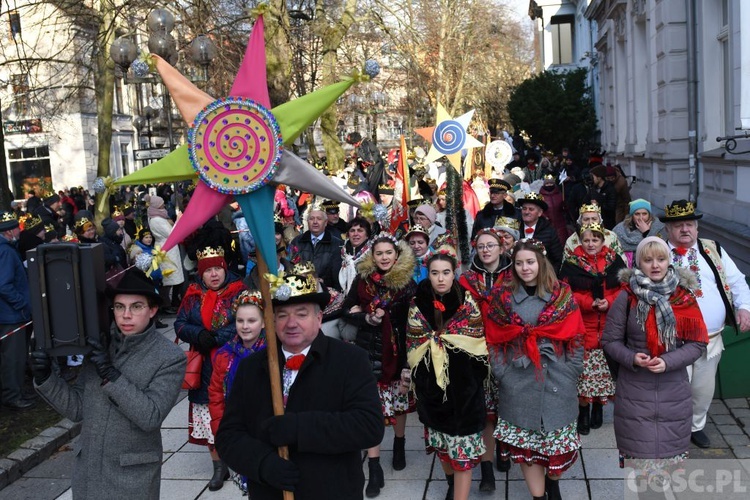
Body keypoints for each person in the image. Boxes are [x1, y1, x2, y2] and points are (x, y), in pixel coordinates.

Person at [215, 266, 384, 499]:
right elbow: (228, 436)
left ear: (319, 318)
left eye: (302, 314)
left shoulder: (350, 360)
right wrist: (262, 464)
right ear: (272, 321)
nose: (291, 323)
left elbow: (369, 427)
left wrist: (298, 428)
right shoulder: (251, 367)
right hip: (270, 491)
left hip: (331, 491)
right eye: (283, 315)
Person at [29, 268, 186, 498]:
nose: (126, 315)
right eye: (119, 307)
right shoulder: (102, 345)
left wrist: (111, 376)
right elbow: (78, 408)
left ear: (152, 310)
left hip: (132, 477)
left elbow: (151, 416)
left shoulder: (169, 357)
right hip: (89, 473)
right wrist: (45, 378)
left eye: (136, 306)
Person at [485, 239, 586, 500]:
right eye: (518, 263)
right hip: (518, 381)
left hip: (557, 379)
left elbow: (575, 336)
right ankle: (538, 496)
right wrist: (502, 373)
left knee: (557, 447)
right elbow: (494, 339)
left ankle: (553, 482)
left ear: (541, 263)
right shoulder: (502, 297)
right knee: (527, 449)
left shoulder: (562, 295)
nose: (524, 268)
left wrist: (572, 370)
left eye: (530, 262)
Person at [601, 237, 708, 479]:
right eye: (648, 260)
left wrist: (669, 361)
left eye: (661, 259)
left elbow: (697, 342)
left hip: (674, 395)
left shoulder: (683, 297)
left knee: (668, 473)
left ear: (669, 260)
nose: (655, 265)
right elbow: (609, 341)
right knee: (641, 473)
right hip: (635, 395)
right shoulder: (626, 297)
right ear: (638, 263)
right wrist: (632, 358)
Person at [660, 200, 750, 449]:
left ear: (697, 228)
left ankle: (695, 426)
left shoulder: (714, 249)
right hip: (674, 339)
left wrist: (744, 308)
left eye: (689, 224)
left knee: (702, 389)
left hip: (711, 338)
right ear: (668, 230)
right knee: (675, 389)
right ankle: (672, 430)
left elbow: (738, 282)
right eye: (678, 225)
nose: (685, 229)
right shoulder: (657, 251)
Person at [407, 248, 490, 500]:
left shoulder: (467, 301)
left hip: (464, 390)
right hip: (432, 391)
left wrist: (472, 381)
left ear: (455, 273)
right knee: (443, 450)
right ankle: (451, 485)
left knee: (462, 453)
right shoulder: (417, 303)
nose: (441, 278)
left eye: (446, 272)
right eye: (434, 273)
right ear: (427, 274)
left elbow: (477, 342)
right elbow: (413, 342)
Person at [341, 233, 417, 497]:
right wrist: (366, 318)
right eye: (379, 253)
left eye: (388, 253)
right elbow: (345, 310)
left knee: (399, 403)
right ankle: (374, 467)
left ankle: (399, 442)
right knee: (372, 407)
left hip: (398, 351)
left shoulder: (407, 283)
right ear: (372, 257)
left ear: (397, 255)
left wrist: (410, 357)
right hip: (367, 350)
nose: (384, 258)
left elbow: (414, 321)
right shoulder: (362, 281)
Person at [175, 246, 246, 491]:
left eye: (218, 268)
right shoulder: (193, 294)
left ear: (225, 269)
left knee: (237, 412)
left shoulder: (240, 292)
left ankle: (242, 459)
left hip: (234, 361)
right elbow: (180, 324)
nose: (214, 274)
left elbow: (246, 321)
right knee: (208, 416)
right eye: (208, 270)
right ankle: (219, 466)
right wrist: (198, 334)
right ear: (201, 274)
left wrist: (216, 337)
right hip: (204, 366)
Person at [458, 228, 515, 490]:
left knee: (508, 403)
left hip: (509, 349)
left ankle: (505, 446)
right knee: (486, 412)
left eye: (491, 245)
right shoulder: (467, 279)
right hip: (477, 351)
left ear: (502, 248)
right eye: (481, 246)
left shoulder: (515, 275)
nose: (486, 250)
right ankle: (487, 467)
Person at [559, 223, 626, 435]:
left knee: (603, 373)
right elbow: (566, 293)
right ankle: (583, 410)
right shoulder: (571, 263)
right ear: (581, 241)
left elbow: (625, 289)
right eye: (586, 240)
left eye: (595, 240)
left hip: (608, 325)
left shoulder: (614, 261)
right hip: (583, 325)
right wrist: (589, 303)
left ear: (602, 241)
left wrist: (609, 301)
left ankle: (599, 407)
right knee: (584, 374)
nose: (590, 244)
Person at [208, 290, 267, 495]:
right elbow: (215, 393)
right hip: (237, 427)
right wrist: (220, 427)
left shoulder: (273, 355)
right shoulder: (225, 355)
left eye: (251, 320)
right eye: (240, 320)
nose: (245, 326)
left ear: (264, 323)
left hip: (265, 428)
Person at [0, 211, 34, 411]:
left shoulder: (6, 249)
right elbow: (3, 285)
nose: (20, 233)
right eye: (17, 229)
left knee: (14, 357)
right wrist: (21, 303)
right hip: (11, 315)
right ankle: (13, 395)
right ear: (10, 231)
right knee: (14, 358)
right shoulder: (5, 252)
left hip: (10, 313)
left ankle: (16, 391)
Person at [288, 207, 344, 291]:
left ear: (325, 223)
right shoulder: (297, 241)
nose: (315, 222)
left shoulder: (336, 244)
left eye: (319, 219)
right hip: (301, 289)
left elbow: (337, 272)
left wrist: (323, 282)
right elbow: (290, 265)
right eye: (311, 219)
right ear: (308, 222)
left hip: (326, 290)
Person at [148, 195, 185, 313]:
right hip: (166, 249)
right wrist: (178, 221)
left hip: (169, 248)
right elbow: (171, 234)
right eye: (161, 203)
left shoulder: (158, 216)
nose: (164, 205)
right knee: (169, 278)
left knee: (175, 276)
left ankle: (173, 301)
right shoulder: (156, 219)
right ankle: (166, 304)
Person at [515, 192, 564, 271]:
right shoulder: (515, 228)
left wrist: (549, 277)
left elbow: (557, 259)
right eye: (524, 208)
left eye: (531, 209)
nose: (526, 212)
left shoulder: (550, 232)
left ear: (540, 213)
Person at [612, 199, 665, 268]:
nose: (641, 218)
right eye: (637, 214)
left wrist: (647, 232)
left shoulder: (659, 228)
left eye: (644, 214)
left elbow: (660, 250)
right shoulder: (620, 229)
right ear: (632, 216)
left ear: (649, 215)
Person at [339, 217, 373, 295]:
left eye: (360, 231)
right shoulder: (341, 253)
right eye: (352, 231)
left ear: (367, 235)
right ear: (348, 234)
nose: (355, 234)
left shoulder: (373, 254)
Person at [539, 174, 570, 246]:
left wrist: (565, 206)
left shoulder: (560, 194)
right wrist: (544, 217)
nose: (549, 185)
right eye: (547, 183)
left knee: (562, 242)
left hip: (560, 224)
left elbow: (565, 210)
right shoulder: (540, 196)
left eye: (551, 183)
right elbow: (539, 209)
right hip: (547, 224)